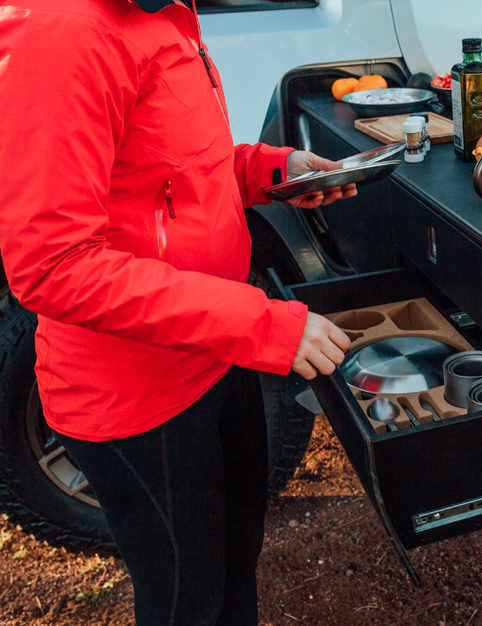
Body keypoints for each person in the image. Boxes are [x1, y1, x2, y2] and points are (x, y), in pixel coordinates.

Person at [0, 1, 355, 624]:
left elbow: (172, 174)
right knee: (184, 601)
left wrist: (273, 170)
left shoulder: (165, 11)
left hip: (214, 357)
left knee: (233, 570)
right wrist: (260, 324)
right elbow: (53, 265)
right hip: (136, 397)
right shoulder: (63, 30)